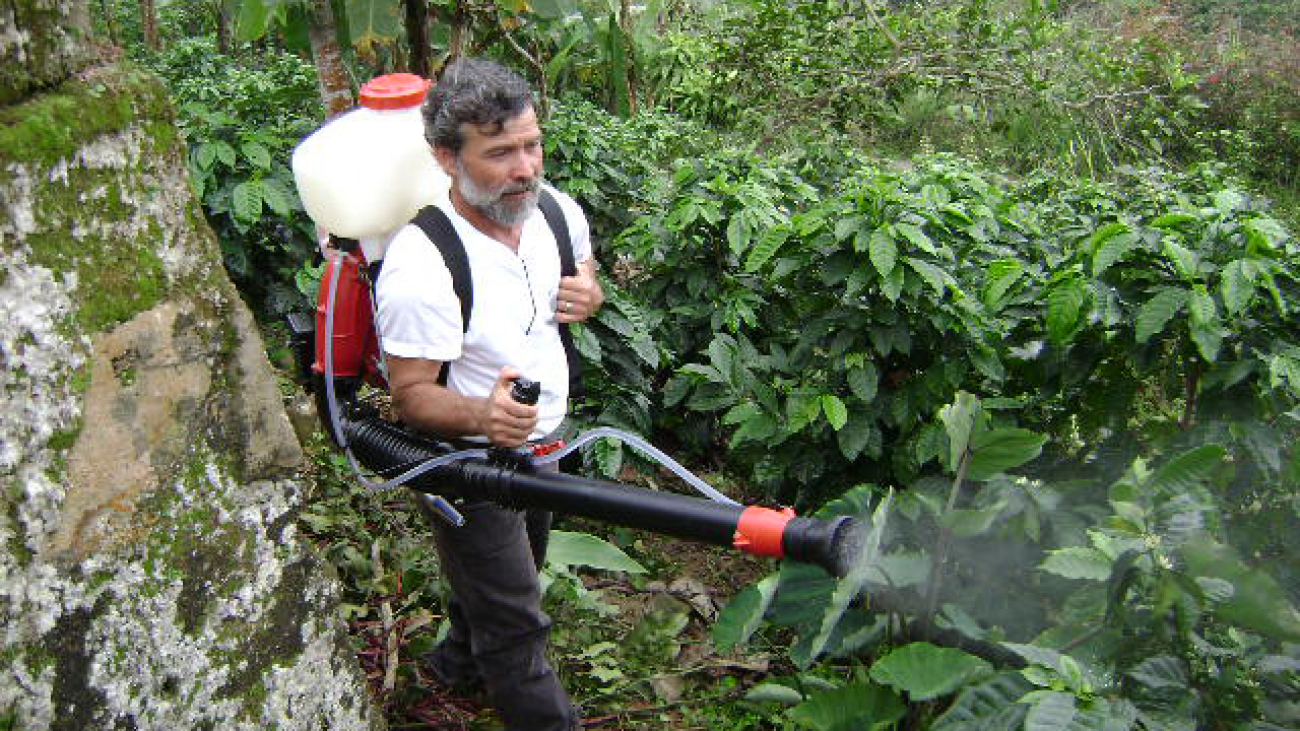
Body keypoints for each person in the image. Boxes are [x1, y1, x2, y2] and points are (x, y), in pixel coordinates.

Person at [374, 57, 603, 731]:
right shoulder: (423, 263)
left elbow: (582, 263)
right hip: (469, 460)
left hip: (544, 442)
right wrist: (483, 414)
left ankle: (452, 667)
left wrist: (589, 288)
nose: (525, 167)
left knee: (516, 569)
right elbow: (410, 394)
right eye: (500, 153)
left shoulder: (552, 210)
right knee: (517, 622)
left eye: (531, 145)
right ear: (447, 157)